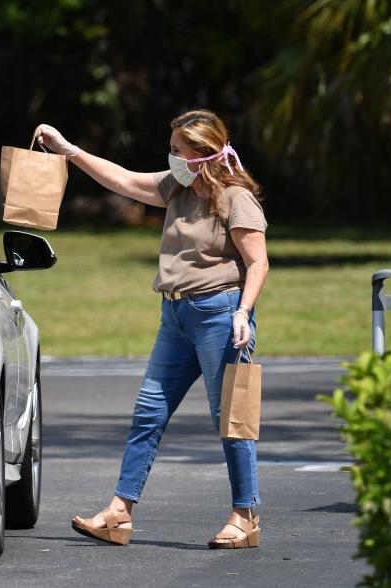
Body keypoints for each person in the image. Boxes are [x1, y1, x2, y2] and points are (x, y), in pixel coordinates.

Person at [35, 110, 269, 549]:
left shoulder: (236, 198)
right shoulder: (178, 186)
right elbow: (123, 180)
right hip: (175, 316)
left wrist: (243, 313)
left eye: (179, 150)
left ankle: (246, 515)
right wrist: (69, 151)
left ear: (202, 153)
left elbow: (258, 262)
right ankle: (119, 513)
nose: (173, 157)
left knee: (231, 419)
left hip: (220, 315)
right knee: (149, 411)